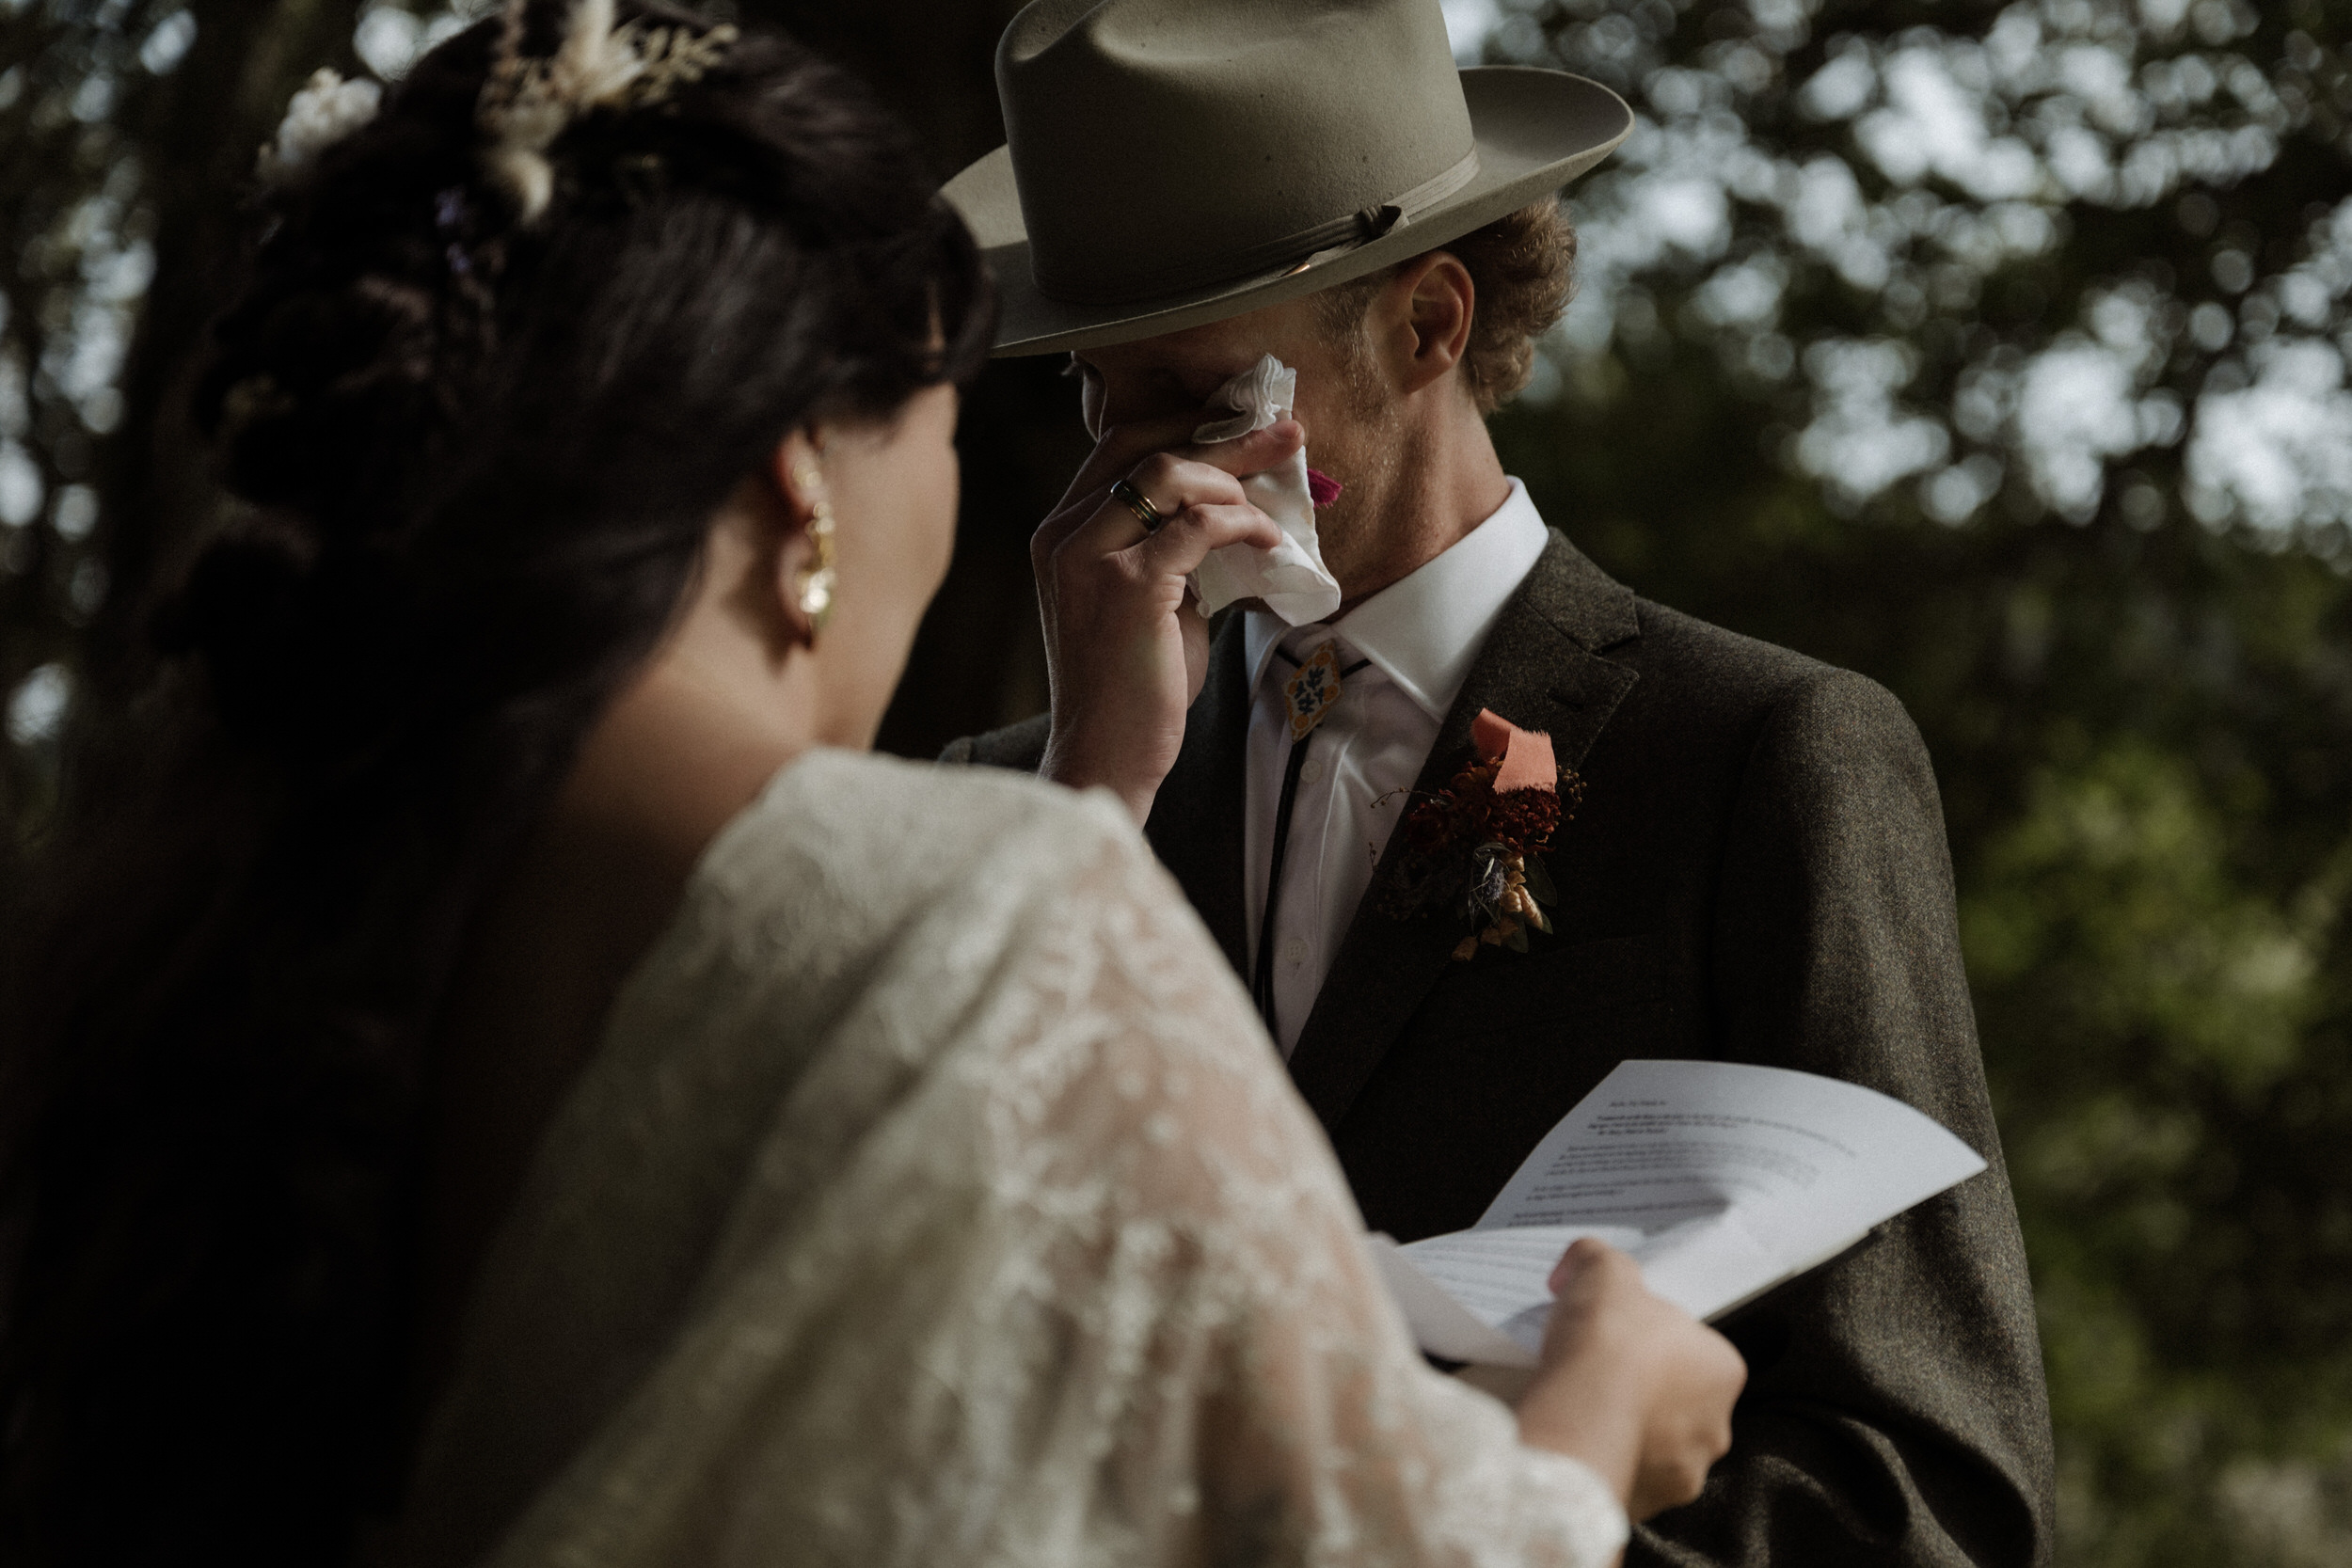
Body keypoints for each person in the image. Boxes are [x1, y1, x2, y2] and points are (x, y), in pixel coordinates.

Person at [0, 5, 1745, 1566]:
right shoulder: (995, 907)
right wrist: (1593, 1430)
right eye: (974, 413)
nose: (1125, 475)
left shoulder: (247, 906)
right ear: (799, 481)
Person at [940, 1, 2056, 1563]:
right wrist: (1084, 812)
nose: (1122, 474)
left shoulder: (1764, 757)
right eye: (1093, 398)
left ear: (1428, 326)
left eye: (1193, 403)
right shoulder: (1002, 821)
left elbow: (1925, 1495)